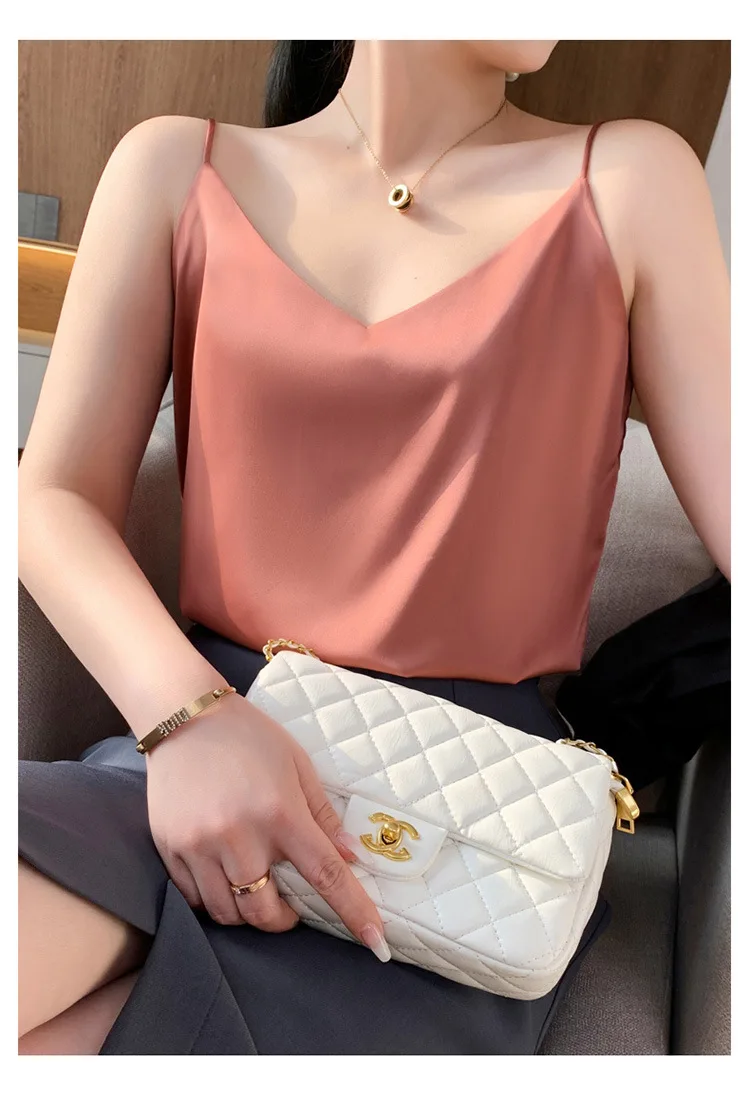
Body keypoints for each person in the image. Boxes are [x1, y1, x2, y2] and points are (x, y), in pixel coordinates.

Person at [18, 40, 729, 1055]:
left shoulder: (630, 181)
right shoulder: (175, 167)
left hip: (455, 840)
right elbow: (51, 496)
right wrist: (189, 720)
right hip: (191, 751)